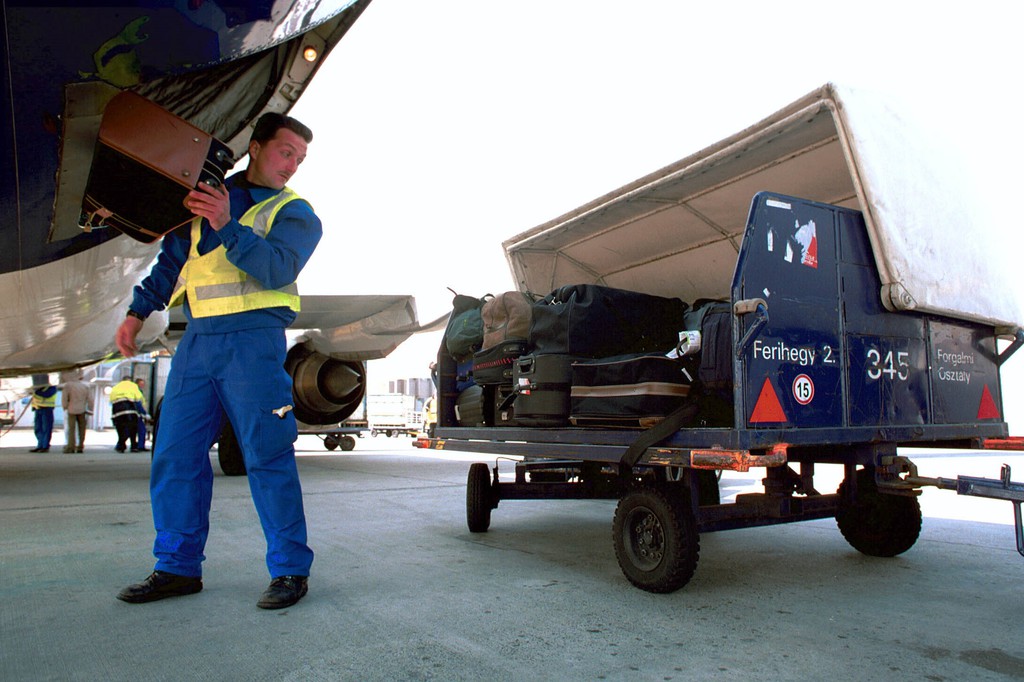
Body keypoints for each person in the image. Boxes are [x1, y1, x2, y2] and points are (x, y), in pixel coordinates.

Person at [113, 112, 321, 610]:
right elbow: (172, 264)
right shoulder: (203, 203)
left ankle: (290, 570)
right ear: (257, 147)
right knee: (175, 455)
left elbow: (276, 268)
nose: (292, 165)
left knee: (267, 454)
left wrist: (227, 224)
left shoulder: (296, 213)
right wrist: (137, 313)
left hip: (254, 341)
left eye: (300, 158)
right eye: (285, 152)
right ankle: (177, 567)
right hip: (198, 344)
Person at [61, 371, 93, 453]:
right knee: (82, 429)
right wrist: (90, 409)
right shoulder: (85, 386)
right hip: (82, 410)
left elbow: (64, 398)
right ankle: (80, 446)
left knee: (71, 429)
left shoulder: (68, 386)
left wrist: (65, 407)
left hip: (71, 410)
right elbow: (90, 400)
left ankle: (71, 447)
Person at [109, 376, 142, 452]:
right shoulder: (133, 385)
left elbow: (111, 399)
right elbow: (138, 397)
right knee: (132, 428)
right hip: (129, 407)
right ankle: (133, 446)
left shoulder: (115, 387)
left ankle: (121, 446)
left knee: (120, 428)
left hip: (117, 409)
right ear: (130, 380)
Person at [29, 380, 57, 452]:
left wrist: (36, 391)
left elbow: (47, 394)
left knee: (46, 428)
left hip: (47, 409)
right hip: (38, 409)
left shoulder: (51, 388)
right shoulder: (37, 388)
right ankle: (40, 445)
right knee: (38, 428)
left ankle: (45, 446)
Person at [134, 378, 149, 452]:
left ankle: (137, 446)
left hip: (136, 414)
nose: (142, 385)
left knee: (133, 431)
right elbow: (138, 403)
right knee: (141, 430)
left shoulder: (138, 391)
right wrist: (144, 413)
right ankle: (140, 446)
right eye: (141, 384)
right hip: (137, 414)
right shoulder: (137, 391)